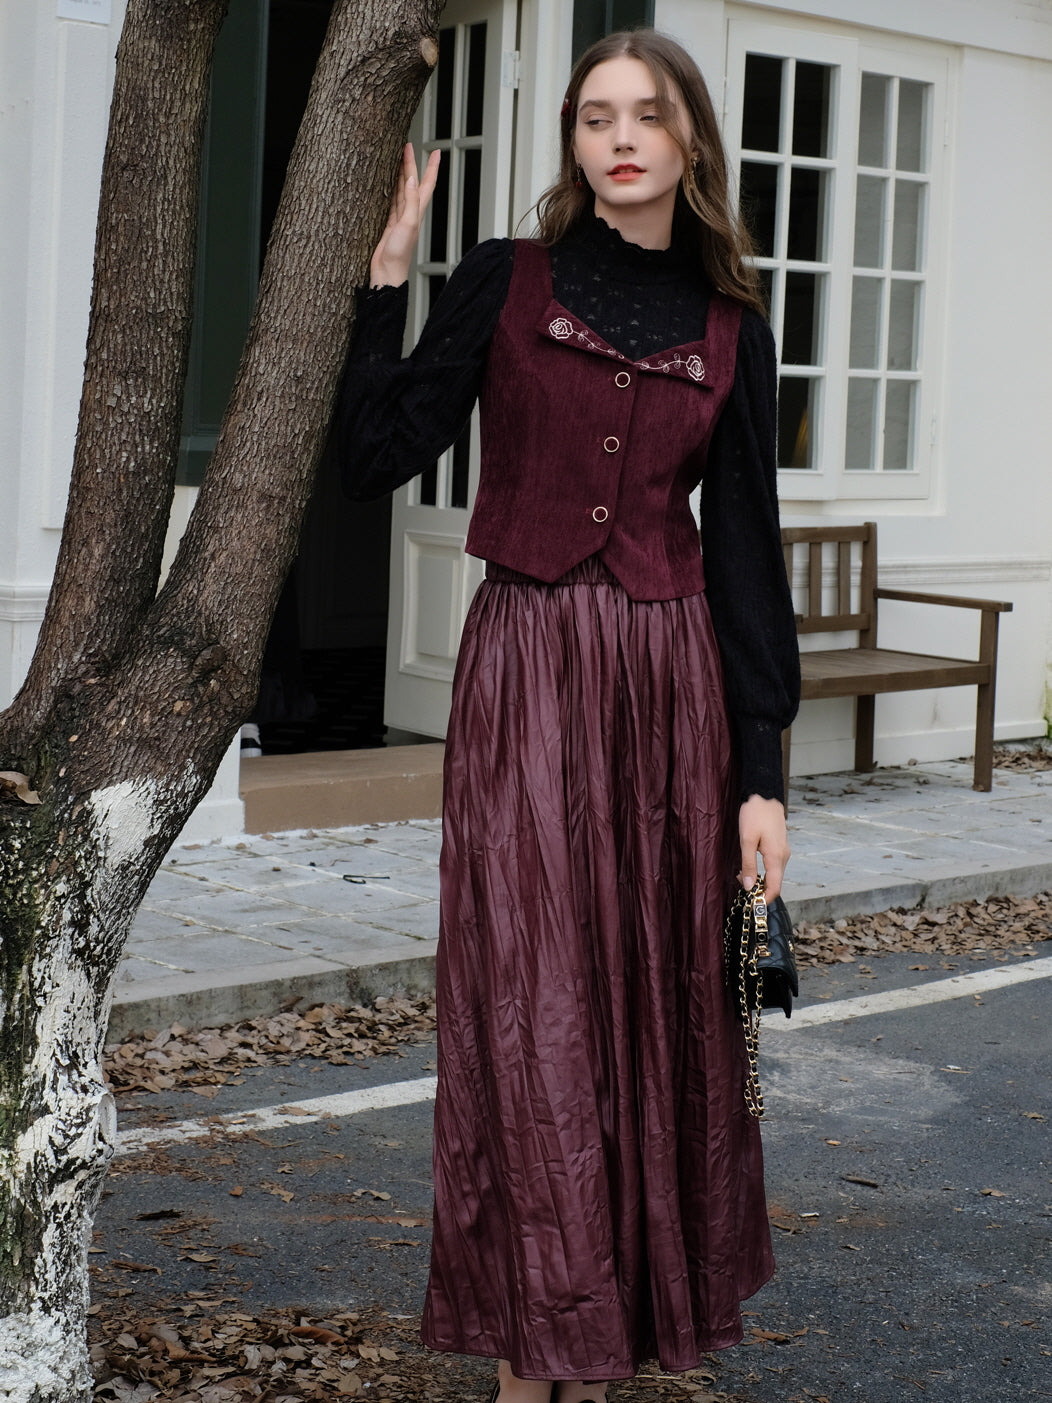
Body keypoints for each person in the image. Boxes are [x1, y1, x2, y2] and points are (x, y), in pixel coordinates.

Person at [338, 28, 800, 1403]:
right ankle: (531, 1362)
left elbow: (745, 558)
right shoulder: (508, 280)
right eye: (595, 115)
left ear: (690, 142)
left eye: (645, 115)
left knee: (652, 1009)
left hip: (671, 694)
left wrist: (762, 774)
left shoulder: (734, 331)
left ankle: (600, 1352)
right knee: (531, 1001)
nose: (618, 137)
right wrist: (381, 286)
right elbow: (378, 454)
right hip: (528, 668)